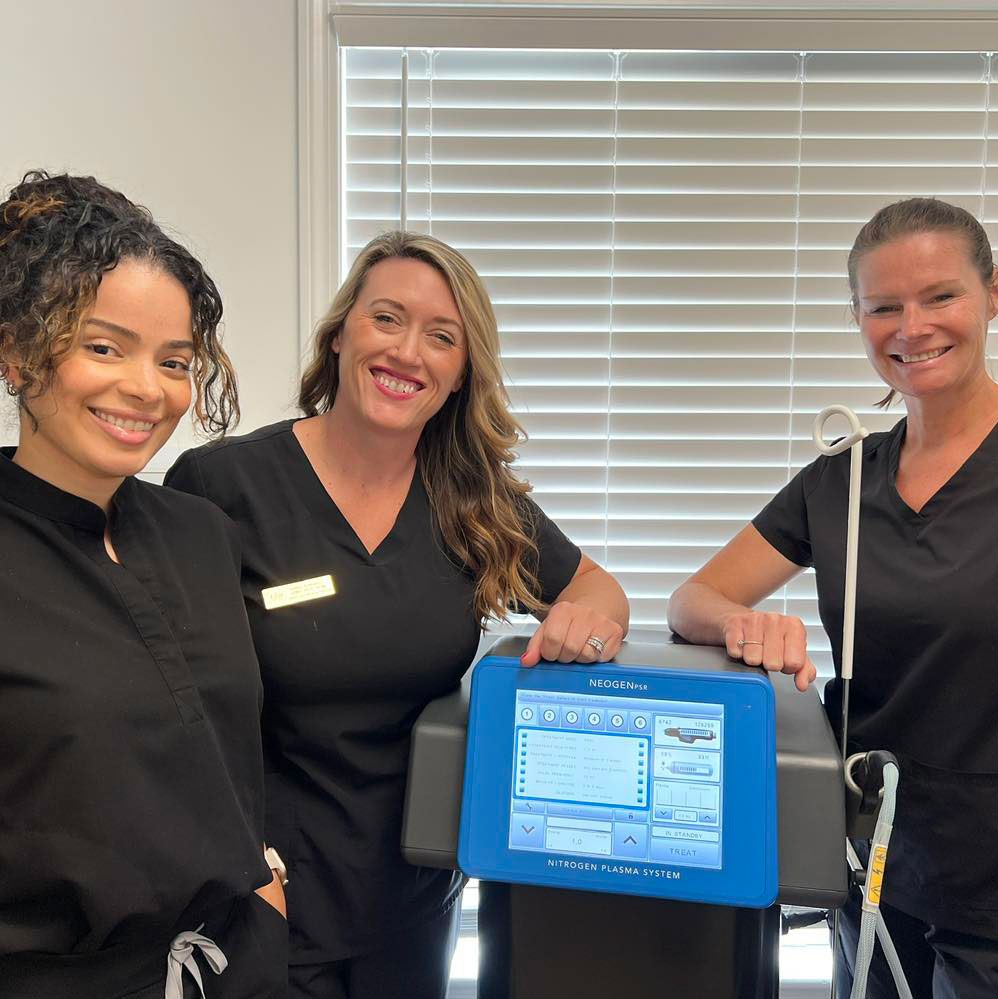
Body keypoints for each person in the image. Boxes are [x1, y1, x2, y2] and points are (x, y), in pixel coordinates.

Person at [165, 230, 630, 999]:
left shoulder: (470, 501)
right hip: (259, 887)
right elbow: (163, 699)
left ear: (459, 372)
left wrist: (583, 620)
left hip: (411, 891)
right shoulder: (223, 484)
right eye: (387, 318)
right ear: (342, 330)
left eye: (441, 337)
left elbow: (595, 584)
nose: (408, 352)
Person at [668, 197, 998, 997]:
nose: (910, 327)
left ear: (992, 294)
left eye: (939, 296)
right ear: (856, 318)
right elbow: (692, 599)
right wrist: (746, 625)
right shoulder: (839, 480)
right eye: (882, 306)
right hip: (878, 872)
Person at [0, 171, 288, 999]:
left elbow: (227, 753)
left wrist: (261, 884)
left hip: (231, 965)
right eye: (104, 346)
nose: (147, 387)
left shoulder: (200, 533)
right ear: (19, 349)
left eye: (174, 361)